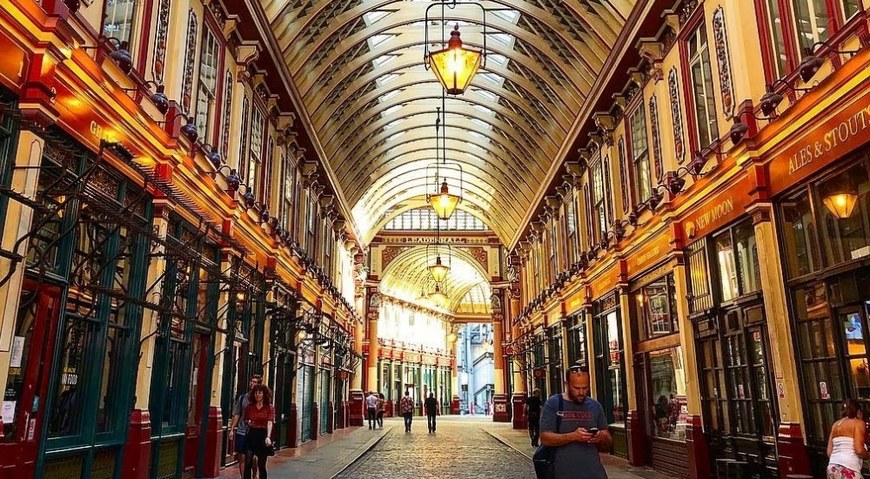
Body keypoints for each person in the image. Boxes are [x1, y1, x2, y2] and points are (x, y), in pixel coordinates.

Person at [539, 367, 612, 479]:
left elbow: (608, 441)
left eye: (585, 388)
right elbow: (545, 438)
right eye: (576, 388)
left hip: (594, 473)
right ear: (566, 384)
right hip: (562, 473)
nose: (581, 392)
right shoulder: (554, 404)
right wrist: (573, 436)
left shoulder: (595, 406)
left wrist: (600, 437)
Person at [826, 398, 868, 478]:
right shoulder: (858, 423)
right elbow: (859, 450)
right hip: (849, 467)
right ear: (858, 412)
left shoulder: (835, 424)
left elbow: (829, 452)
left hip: (832, 467)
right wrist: (867, 455)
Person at [231, 375, 262, 479]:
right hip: (242, 430)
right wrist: (231, 429)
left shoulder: (260, 399)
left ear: (259, 385)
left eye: (255, 382)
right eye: (251, 381)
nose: (252, 384)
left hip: (255, 431)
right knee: (242, 457)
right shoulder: (242, 398)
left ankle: (255, 474)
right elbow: (237, 414)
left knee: (253, 458)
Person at [243, 384, 274, 479]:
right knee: (248, 462)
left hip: (262, 435)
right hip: (252, 434)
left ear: (264, 394)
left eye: (260, 393)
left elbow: (269, 422)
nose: (257, 395)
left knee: (261, 464)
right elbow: (245, 420)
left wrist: (268, 436)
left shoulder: (269, 407)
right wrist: (249, 423)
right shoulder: (249, 407)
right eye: (256, 393)